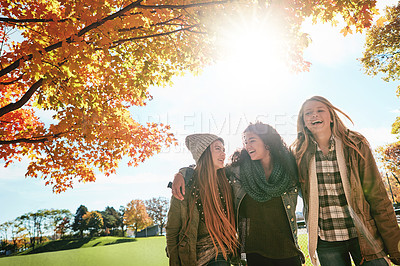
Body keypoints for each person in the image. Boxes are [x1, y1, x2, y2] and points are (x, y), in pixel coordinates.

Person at [172, 123, 305, 266]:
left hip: (288, 252)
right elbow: (208, 166)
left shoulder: (290, 170)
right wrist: (183, 173)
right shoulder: (238, 170)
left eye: (252, 140)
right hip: (252, 254)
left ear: (268, 142)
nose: (248, 146)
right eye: (245, 142)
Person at [291, 95, 400, 266]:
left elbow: (377, 195)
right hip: (326, 241)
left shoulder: (355, 144)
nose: (314, 115)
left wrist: (395, 246)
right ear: (303, 121)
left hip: (364, 234)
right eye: (308, 113)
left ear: (332, 116)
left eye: (320, 110)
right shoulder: (298, 154)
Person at [166, 133, 238, 266]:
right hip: (194, 257)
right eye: (217, 149)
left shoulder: (227, 180)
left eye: (223, 150)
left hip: (221, 254)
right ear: (203, 153)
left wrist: (180, 172)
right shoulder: (185, 186)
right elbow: (172, 230)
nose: (223, 154)